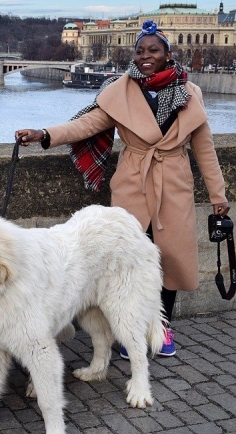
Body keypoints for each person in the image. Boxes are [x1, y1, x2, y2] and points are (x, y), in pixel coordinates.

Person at [15, 19, 230, 358]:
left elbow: (205, 149)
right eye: (140, 51)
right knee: (128, 261)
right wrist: (45, 134)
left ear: (167, 54)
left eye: (153, 50)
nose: (146, 56)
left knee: (170, 259)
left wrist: (218, 196)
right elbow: (86, 124)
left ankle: (161, 327)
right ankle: (131, 330)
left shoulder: (190, 93)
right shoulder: (120, 90)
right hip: (133, 183)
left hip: (174, 184)